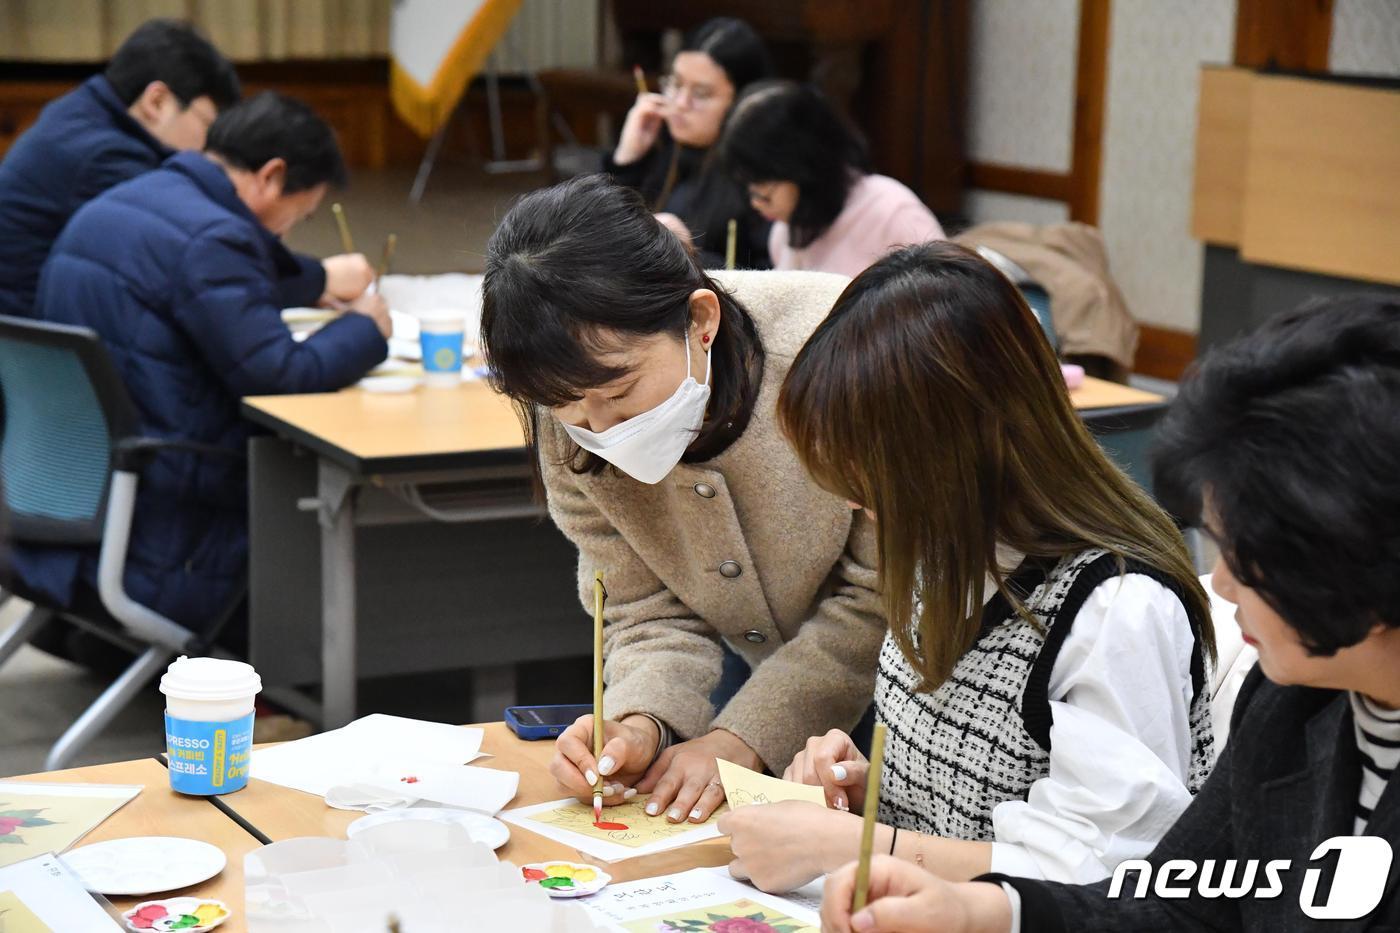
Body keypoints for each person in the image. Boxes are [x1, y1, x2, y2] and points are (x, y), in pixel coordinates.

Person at [819, 294, 1400, 932]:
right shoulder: (1296, 701)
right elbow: (1178, 904)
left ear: (1365, 563)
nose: (1223, 586)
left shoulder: (1116, 604)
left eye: (1246, 556)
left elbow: (1122, 859)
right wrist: (979, 909)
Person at [719, 241, 1216, 893]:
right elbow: (976, 809)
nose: (853, 501)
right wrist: (869, 790)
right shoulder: (946, 550)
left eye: (872, 476)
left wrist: (857, 843)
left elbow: (1108, 871)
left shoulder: (1115, 608)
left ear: (956, 450)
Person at [479, 174, 885, 826]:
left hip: (925, 686)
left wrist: (741, 738)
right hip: (761, 675)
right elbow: (642, 605)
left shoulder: (842, 354)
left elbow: (880, 597)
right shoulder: (569, 422)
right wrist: (642, 720)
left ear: (699, 319)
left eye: (621, 392)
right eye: (568, 407)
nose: (600, 427)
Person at [8, 92, 389, 643]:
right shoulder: (216, 238)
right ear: (271, 176)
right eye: (299, 214)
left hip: (65, 491)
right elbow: (283, 374)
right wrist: (366, 328)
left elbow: (206, 285)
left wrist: (314, 282)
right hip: (173, 523)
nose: (286, 232)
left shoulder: (124, 201)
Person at [0, 18, 374, 320]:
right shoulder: (107, 158)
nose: (212, 145)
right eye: (207, 125)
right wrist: (319, 279)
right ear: (157, 101)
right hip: (40, 347)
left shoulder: (82, 115)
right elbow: (203, 267)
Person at [720, 81, 945, 277]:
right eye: (750, 190)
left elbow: (948, 300)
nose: (755, 202)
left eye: (764, 192)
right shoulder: (786, 231)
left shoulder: (893, 213)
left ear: (804, 168)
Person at [607, 17, 774, 269]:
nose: (680, 103)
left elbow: (774, 279)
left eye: (701, 94)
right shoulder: (665, 148)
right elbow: (604, 242)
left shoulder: (762, 178)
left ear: (743, 102)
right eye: (675, 83)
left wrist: (687, 253)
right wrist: (627, 160)